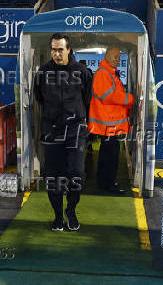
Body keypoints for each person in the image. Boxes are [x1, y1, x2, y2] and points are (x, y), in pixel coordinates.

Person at [33, 33, 93, 231]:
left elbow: (87, 99)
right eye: (53, 49)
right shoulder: (43, 73)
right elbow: (39, 98)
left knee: (76, 174)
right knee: (53, 177)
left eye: (60, 49)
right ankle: (58, 215)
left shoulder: (82, 72)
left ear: (69, 50)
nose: (57, 53)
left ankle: (71, 210)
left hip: (75, 130)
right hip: (51, 130)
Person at [88, 46, 134, 194]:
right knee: (110, 156)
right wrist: (129, 99)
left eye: (119, 57)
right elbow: (108, 96)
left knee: (108, 155)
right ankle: (108, 184)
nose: (117, 60)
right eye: (114, 56)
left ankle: (105, 182)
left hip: (111, 124)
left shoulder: (109, 73)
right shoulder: (103, 73)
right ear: (106, 56)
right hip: (108, 124)